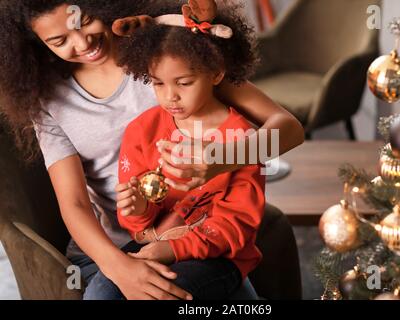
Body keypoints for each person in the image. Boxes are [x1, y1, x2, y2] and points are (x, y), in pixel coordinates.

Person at [0, 0, 304, 300]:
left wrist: (218, 161)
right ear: (36, 43)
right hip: (116, 245)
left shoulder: (164, 51)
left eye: (85, 20)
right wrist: (120, 267)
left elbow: (289, 129)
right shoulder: (47, 99)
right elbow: (75, 204)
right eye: (59, 40)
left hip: (202, 230)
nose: (82, 42)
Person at [106, 0, 266, 300]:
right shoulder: (142, 130)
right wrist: (139, 211)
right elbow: (138, 226)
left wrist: (172, 249)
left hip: (220, 255)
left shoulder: (242, 138)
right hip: (155, 241)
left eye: (184, 82)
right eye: (157, 84)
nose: (170, 97)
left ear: (216, 73)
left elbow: (237, 225)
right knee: (103, 294)